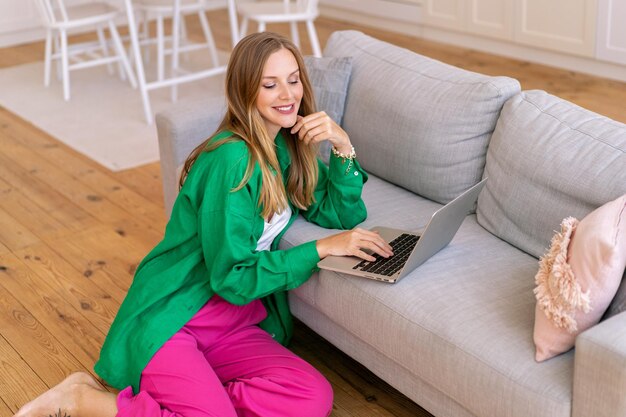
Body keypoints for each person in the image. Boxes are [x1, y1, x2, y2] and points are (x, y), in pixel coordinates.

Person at [14, 32, 393, 417]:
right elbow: (231, 276)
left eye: (293, 79)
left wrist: (343, 146)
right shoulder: (231, 162)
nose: (287, 94)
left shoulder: (284, 148)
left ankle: (199, 402)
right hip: (180, 315)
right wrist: (321, 249)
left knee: (312, 397)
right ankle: (83, 400)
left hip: (235, 320)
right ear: (246, 91)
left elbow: (341, 214)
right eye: (270, 84)